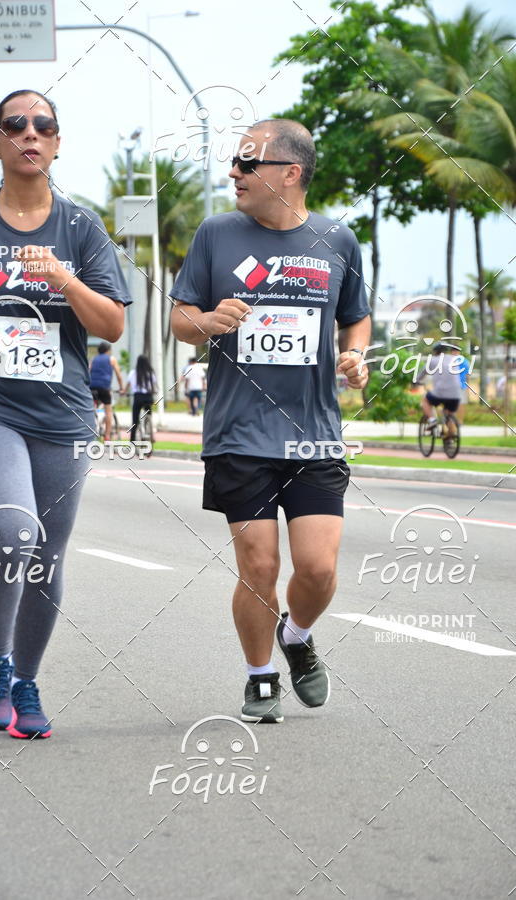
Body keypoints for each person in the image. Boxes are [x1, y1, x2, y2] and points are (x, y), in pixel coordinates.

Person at [0, 89, 130, 738]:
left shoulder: (81, 228)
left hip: (61, 415)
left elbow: (112, 325)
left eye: (43, 125)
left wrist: (64, 279)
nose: (29, 133)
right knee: (11, 532)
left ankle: (26, 681)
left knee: (45, 559)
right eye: (15, 124)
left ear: (57, 143)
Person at [170, 119, 370, 723]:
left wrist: (355, 354)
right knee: (259, 565)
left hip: (314, 434)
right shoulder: (216, 234)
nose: (234, 172)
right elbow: (180, 319)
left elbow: (355, 316)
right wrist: (208, 321)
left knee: (319, 568)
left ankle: (297, 635)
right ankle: (260, 676)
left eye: (247, 163)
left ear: (290, 173)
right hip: (239, 433)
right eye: (234, 162)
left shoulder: (338, 240)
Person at [417, 342, 462, 430]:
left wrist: (416, 381)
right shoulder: (453, 359)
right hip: (456, 394)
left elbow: (422, 373)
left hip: (440, 392)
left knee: (425, 401)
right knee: (449, 414)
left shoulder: (433, 360)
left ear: (435, 351)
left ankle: (432, 420)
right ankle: (451, 434)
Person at [89, 341, 124, 441]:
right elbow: (118, 375)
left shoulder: (93, 359)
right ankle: (107, 436)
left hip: (92, 387)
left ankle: (91, 429)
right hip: (104, 388)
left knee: (91, 408)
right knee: (108, 411)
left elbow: (88, 371)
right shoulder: (111, 359)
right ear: (108, 351)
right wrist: (121, 388)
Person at [127, 354, 157, 442]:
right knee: (148, 413)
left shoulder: (133, 373)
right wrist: (155, 391)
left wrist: (123, 392)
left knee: (135, 421)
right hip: (148, 397)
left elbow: (127, 386)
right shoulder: (151, 373)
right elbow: (154, 387)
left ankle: (132, 441)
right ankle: (150, 431)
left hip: (138, 397)